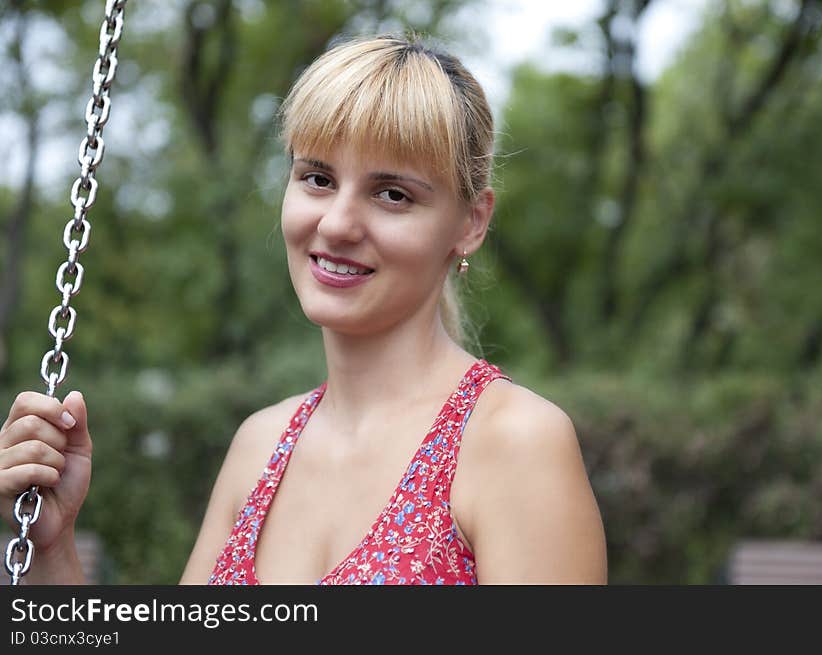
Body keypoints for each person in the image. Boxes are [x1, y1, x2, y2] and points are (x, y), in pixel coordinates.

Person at [0, 34, 606, 585]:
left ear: (471, 223)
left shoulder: (513, 443)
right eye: (317, 178)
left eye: (392, 194)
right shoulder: (259, 447)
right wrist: (51, 551)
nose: (337, 223)